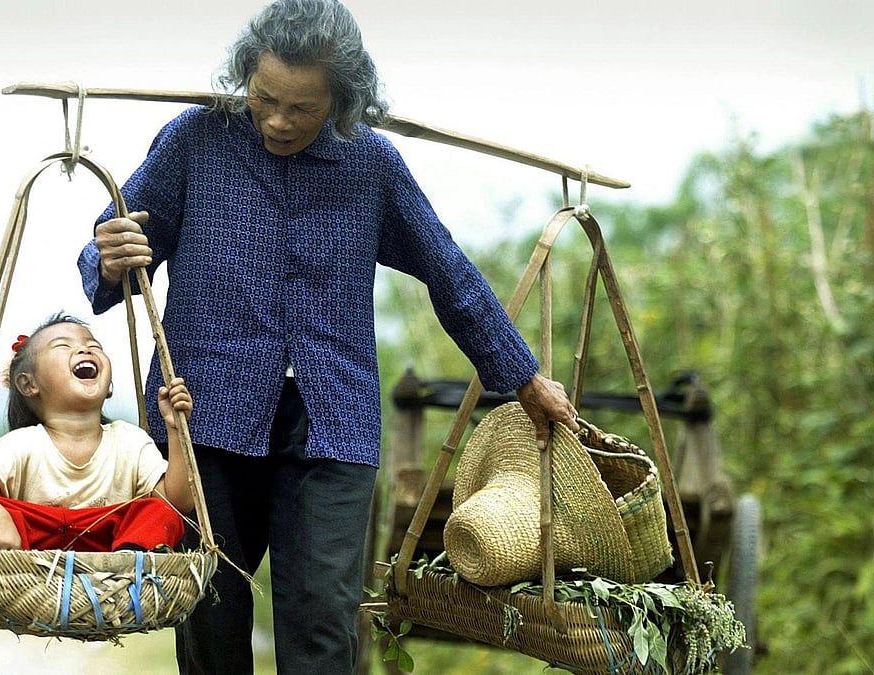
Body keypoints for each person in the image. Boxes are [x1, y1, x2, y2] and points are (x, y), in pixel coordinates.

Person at [76, 0, 580, 671]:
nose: (279, 120)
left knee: (322, 629)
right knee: (209, 617)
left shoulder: (371, 164)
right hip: (202, 421)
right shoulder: (193, 140)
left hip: (331, 423)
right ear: (244, 81)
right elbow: (114, 246)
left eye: (303, 108)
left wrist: (523, 375)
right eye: (265, 99)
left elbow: (448, 271)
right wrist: (107, 259)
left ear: (342, 102)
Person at [0, 312, 195, 553]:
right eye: (62, 346)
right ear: (29, 384)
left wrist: (176, 431)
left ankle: (129, 562)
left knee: (160, 512)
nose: (85, 350)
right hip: (31, 550)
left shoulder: (129, 440)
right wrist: (1, 521)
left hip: (112, 547)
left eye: (92, 345)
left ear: (109, 387)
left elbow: (176, 503)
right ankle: (9, 563)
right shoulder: (25, 442)